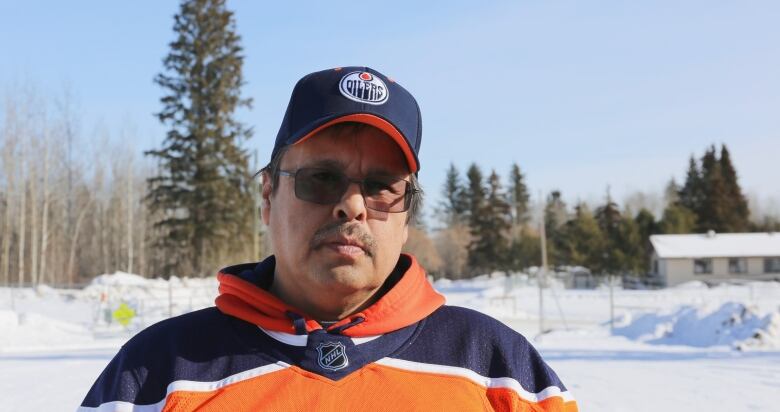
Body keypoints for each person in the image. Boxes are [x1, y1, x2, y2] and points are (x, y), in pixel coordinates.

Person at [79, 67, 578, 411]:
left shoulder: (499, 372)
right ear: (268, 195)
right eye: (321, 179)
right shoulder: (156, 374)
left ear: (406, 213)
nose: (353, 206)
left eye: (382, 186)